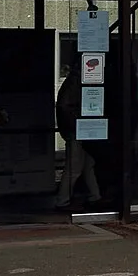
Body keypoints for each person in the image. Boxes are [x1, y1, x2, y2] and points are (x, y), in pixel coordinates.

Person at [54, 65, 100, 206]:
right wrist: (77, 124)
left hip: (78, 129)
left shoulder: (74, 81)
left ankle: (95, 195)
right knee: (75, 166)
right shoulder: (77, 81)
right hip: (78, 130)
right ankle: (63, 199)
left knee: (86, 163)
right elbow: (64, 106)